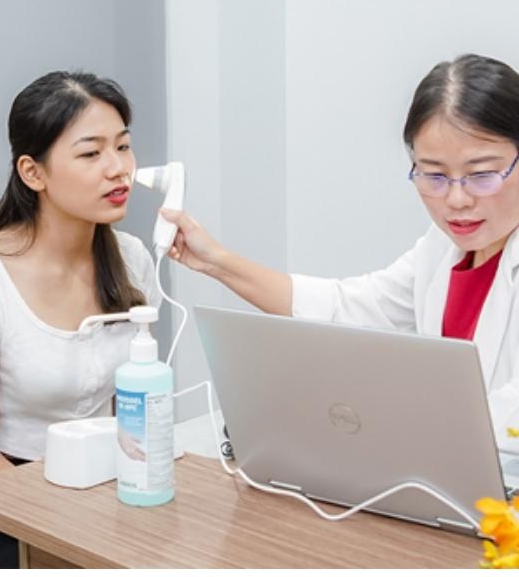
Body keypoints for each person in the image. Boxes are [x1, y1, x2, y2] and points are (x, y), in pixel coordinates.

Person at [161, 53, 519, 453]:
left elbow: (508, 421)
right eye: (433, 175)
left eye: (482, 175)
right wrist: (214, 261)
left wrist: (388, 421)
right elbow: (346, 308)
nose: (456, 199)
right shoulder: (440, 250)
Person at [0, 71, 160, 568]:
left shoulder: (132, 260)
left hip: (106, 487)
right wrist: (79, 528)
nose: (118, 169)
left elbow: (130, 407)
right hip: (1, 505)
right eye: (91, 154)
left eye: (123, 147)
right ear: (33, 173)